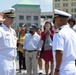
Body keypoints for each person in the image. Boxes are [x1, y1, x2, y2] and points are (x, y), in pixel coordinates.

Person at [53, 9, 76, 75]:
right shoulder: (73, 32)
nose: (55, 23)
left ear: (59, 20)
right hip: (72, 67)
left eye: (55, 20)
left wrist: (57, 70)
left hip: (62, 68)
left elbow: (59, 52)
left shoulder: (59, 32)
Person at [0, 8, 17, 75]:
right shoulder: (1, 29)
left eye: (13, 18)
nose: (12, 20)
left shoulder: (13, 31)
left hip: (13, 60)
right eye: (10, 18)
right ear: (4, 18)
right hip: (3, 60)